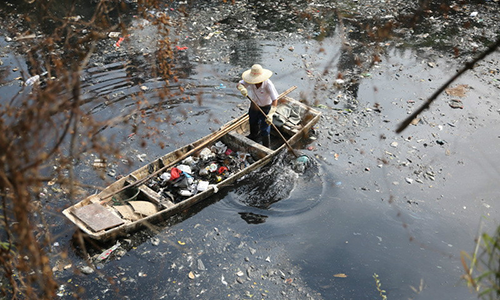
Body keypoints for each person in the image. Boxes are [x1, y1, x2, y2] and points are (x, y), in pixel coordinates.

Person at [236, 64, 279, 148]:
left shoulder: (268, 84)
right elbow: (239, 84)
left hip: (266, 107)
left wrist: (271, 114)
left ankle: (266, 146)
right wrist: (241, 88)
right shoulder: (250, 80)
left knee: (265, 128)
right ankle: (253, 137)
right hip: (254, 105)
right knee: (252, 121)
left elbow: (275, 99)